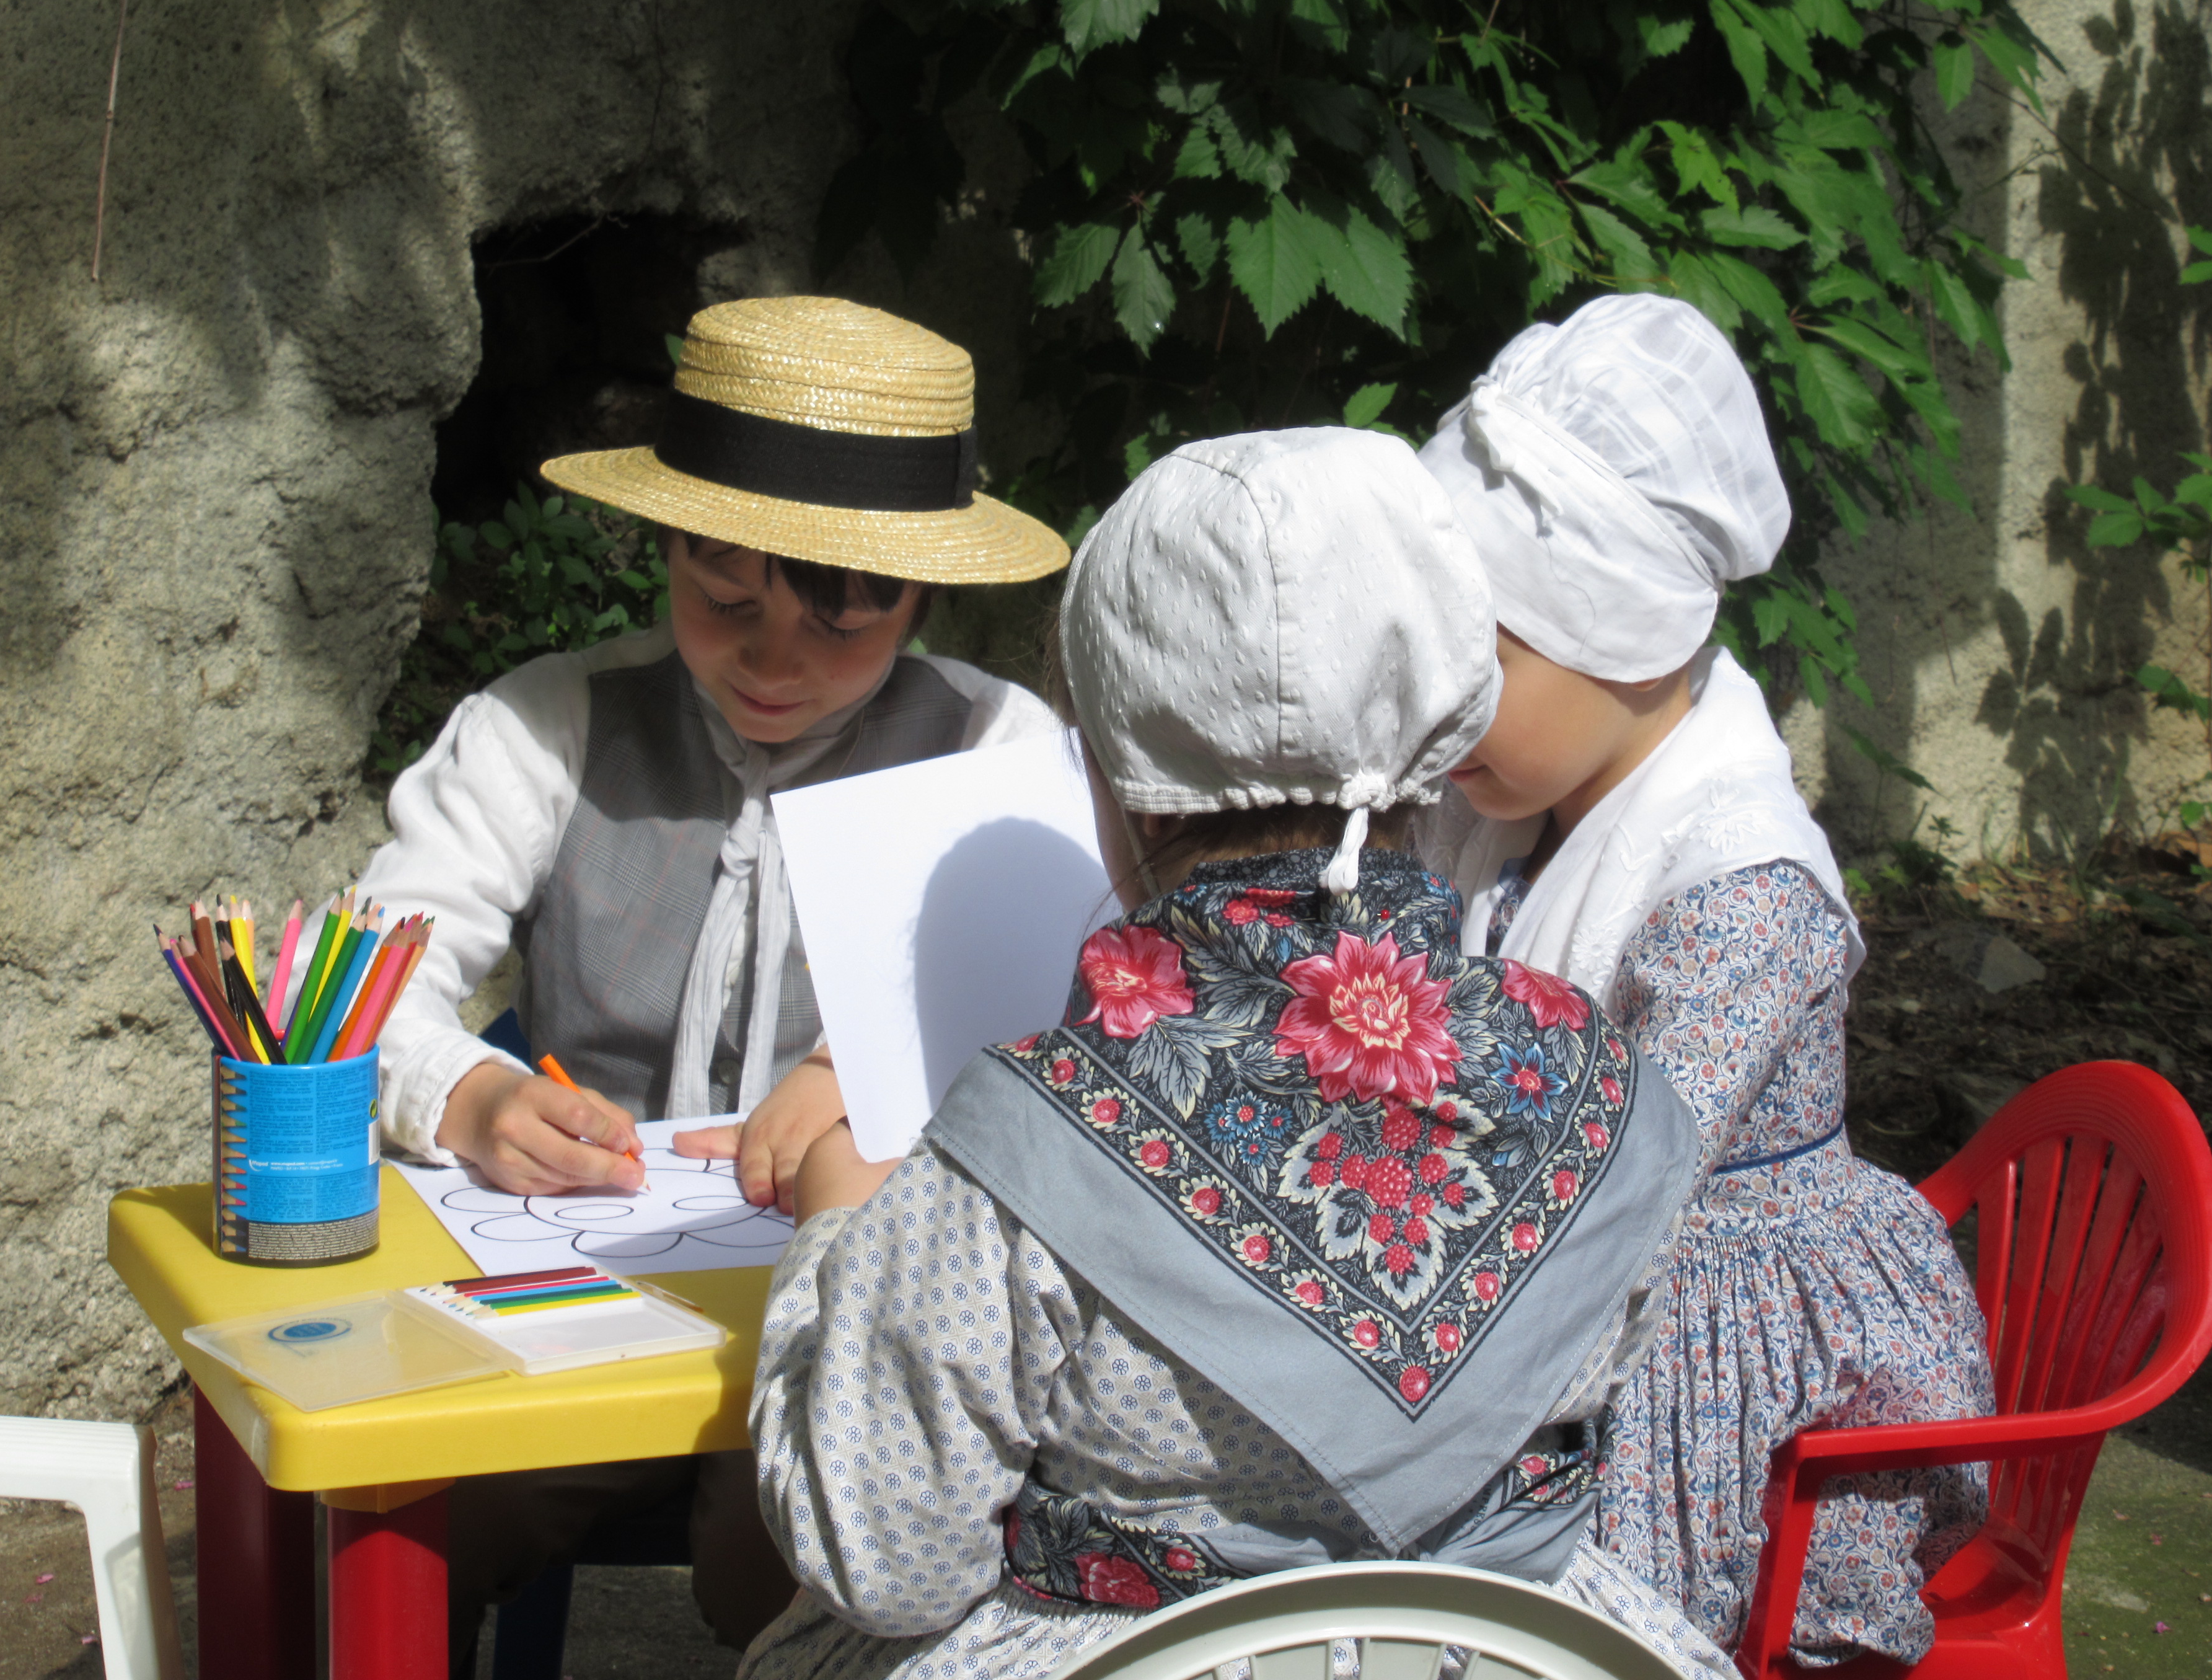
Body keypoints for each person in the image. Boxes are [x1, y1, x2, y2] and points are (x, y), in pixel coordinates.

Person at [739, 427, 1734, 1680]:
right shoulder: (1601, 1084)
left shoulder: (1028, 1150)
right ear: (1444, 722)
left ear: (1110, 769)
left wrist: (836, 1228)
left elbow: (882, 1556)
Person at [351, 296, 1070, 1669]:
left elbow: (1077, 1020)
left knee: (810, 1586)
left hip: (859, 1327)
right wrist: (468, 1090)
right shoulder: (546, 725)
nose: (774, 662)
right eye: (723, 599)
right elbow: (368, 980)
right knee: (407, 1527)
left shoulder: (993, 753)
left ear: (920, 594)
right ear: (666, 548)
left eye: (841, 622)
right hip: (573, 1309)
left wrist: (888, 1069)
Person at [1414, 293, 1993, 1667]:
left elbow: (1628, 1177)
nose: (1442, 704)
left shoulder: (1741, 891)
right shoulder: (1514, 790)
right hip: (1567, 1229)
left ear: (1636, 642)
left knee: (1539, 1585)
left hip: (1714, 1321)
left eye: (1484, 662)